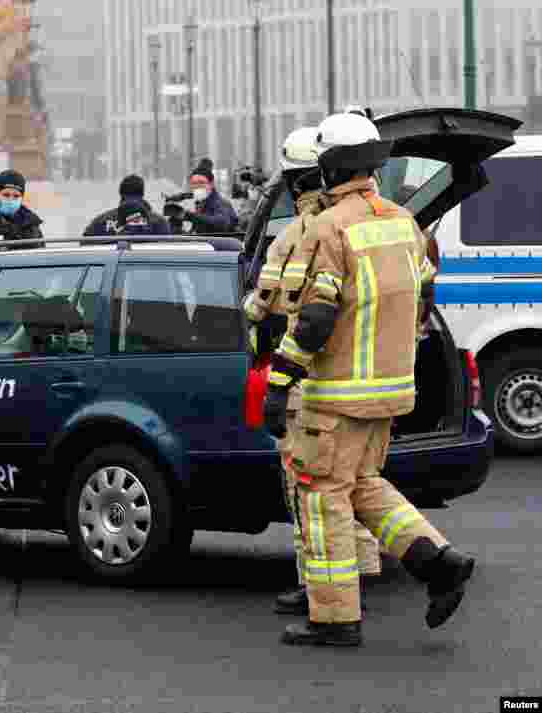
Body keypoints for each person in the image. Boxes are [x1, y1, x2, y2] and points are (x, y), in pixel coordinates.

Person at [264, 112, 474, 647]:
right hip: (390, 390)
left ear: (330, 167)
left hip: (336, 393)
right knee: (361, 486)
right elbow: (422, 287)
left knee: (320, 494)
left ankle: (334, 620)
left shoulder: (331, 227)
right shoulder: (403, 222)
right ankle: (439, 563)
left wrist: (280, 382)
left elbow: (314, 319)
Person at [242, 127, 383, 619]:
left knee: (308, 491)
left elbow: (270, 305)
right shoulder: (374, 222)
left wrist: (272, 368)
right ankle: (362, 573)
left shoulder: (302, 234)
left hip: (308, 380)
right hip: (369, 382)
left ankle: (319, 588)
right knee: (359, 483)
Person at [83, 174, 171, 236]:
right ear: (142, 193)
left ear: (121, 193)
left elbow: (85, 244)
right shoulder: (159, 222)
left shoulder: (100, 222)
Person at [180, 158, 239, 234]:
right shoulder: (202, 202)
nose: (196, 187)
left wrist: (193, 217)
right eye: (194, 183)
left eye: (200, 183)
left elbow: (221, 222)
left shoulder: (219, 203)